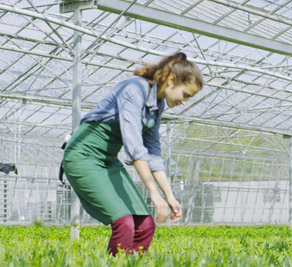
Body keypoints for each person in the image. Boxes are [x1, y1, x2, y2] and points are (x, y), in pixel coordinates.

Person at [63, 52, 203, 256]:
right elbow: (134, 146)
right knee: (125, 223)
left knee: (145, 225)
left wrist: (170, 196)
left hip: (107, 161)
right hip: (82, 156)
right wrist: (154, 194)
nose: (184, 102)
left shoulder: (158, 104)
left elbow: (153, 151)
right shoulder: (134, 88)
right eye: (186, 94)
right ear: (172, 80)